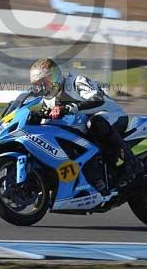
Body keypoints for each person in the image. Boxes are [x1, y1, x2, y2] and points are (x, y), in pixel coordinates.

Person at [28, 57, 139, 189]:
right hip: (84, 126)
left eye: (47, 81)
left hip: (112, 116)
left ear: (57, 76)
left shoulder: (76, 81)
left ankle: (131, 163)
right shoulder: (47, 100)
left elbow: (97, 99)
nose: (45, 86)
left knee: (95, 123)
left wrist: (71, 107)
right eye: (40, 84)